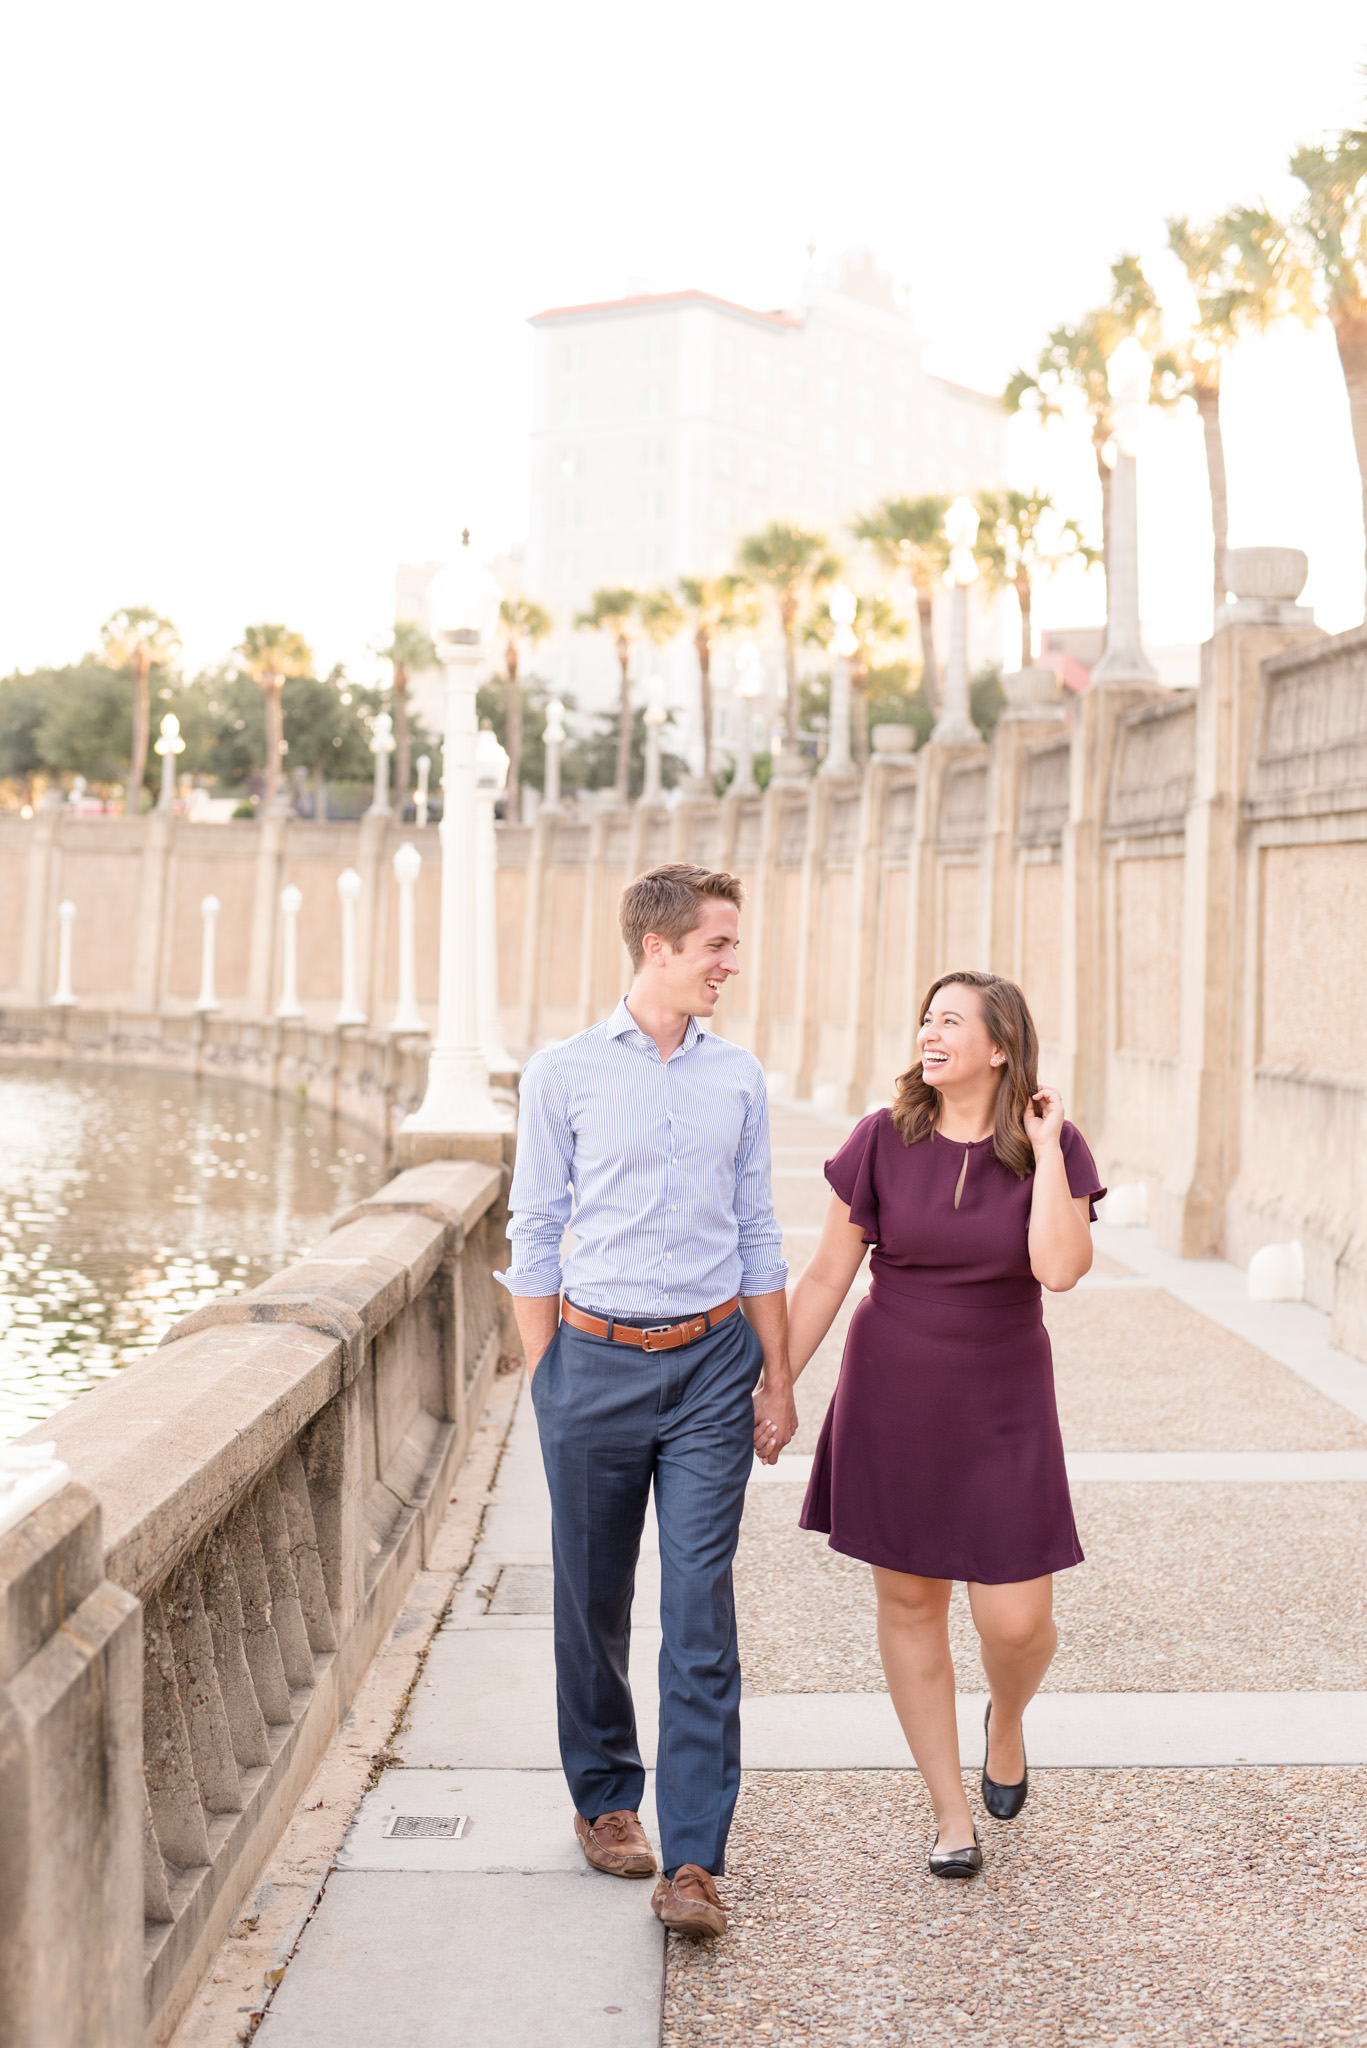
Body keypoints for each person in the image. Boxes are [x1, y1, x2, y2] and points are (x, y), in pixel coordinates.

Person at [496, 862, 797, 1937]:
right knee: (592, 1596)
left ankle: (696, 1861)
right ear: (657, 947)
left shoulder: (737, 1078)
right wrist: (552, 1376)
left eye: (729, 942)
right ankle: (606, 1798)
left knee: (697, 1606)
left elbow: (757, 1231)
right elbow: (532, 1228)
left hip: (714, 1362)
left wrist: (777, 1371)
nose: (729, 961)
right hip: (595, 1361)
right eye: (716, 943)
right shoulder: (563, 1073)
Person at [787, 969, 1103, 1880]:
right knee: (911, 1603)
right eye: (925, 1018)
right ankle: (949, 1812)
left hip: (1003, 1404)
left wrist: (1044, 1151)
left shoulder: (1054, 1144)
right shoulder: (881, 1140)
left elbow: (1059, 1269)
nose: (930, 1033)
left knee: (1015, 1620)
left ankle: (1004, 1720)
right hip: (893, 1396)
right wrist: (776, 1386)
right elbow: (822, 1277)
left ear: (998, 1048)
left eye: (951, 1022)